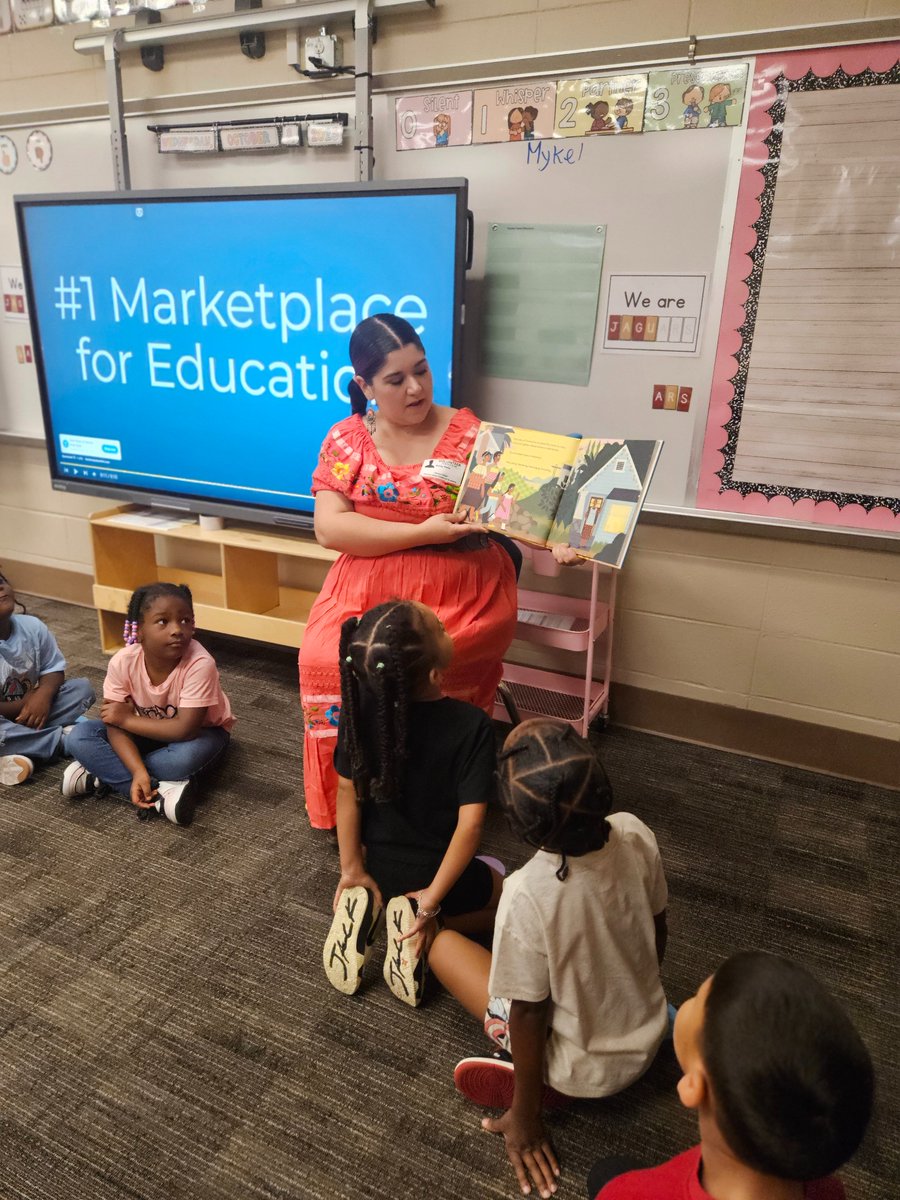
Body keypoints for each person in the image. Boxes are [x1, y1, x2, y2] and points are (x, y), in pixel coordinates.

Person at [427, 718, 669, 1199]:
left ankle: (534, 1082)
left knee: (441, 948)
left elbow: (530, 1012)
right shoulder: (636, 832)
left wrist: (525, 1116)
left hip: (577, 1069)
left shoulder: (528, 894)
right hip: (651, 1030)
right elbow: (658, 931)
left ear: (517, 824)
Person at [298, 314, 518, 831]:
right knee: (322, 661)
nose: (415, 388)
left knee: (428, 667)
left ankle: (437, 804)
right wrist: (422, 532)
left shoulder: (471, 435)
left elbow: (516, 512)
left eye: (421, 370)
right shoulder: (347, 439)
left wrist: (565, 543)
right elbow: (330, 530)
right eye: (395, 380)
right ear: (364, 386)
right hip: (367, 586)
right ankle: (354, 806)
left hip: (461, 587)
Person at [322, 599, 504, 1006]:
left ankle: (383, 911)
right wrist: (431, 902)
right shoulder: (471, 725)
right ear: (435, 666)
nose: (444, 626)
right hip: (434, 878)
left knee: (477, 877)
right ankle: (426, 926)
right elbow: (470, 826)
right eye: (439, 626)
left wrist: (351, 869)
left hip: (376, 869)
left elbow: (346, 793)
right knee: (508, 901)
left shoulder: (359, 714)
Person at [586, 951, 874, 1200]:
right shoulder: (826, 1188)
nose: (688, 1001)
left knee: (604, 1175)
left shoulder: (628, 1193)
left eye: (697, 999)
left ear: (693, 1086)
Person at [62, 583, 233, 827]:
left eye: (186, 620)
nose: (177, 630)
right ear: (139, 630)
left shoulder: (200, 663)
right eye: (163, 621)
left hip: (202, 734)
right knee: (78, 737)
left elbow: (186, 729)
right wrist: (138, 772)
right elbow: (114, 724)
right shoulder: (123, 661)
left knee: (181, 761)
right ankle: (160, 795)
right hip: (145, 731)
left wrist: (126, 720)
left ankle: (101, 773)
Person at [0, 568, 94, 786]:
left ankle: (25, 748)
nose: (1, 587)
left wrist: (43, 694)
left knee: (82, 689)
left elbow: (53, 668)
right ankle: (64, 741)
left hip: (34, 712)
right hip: (15, 715)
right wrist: (28, 703)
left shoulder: (32, 626)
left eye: (1, 580)